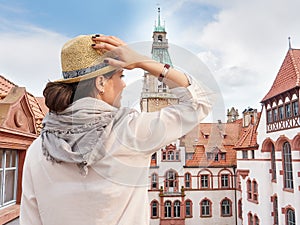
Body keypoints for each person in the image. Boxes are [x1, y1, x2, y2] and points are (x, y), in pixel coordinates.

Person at [20, 34, 213, 225]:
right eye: (121, 75)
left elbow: (30, 220)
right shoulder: (131, 133)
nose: (124, 84)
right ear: (101, 83)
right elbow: (200, 100)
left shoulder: (37, 150)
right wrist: (142, 61)